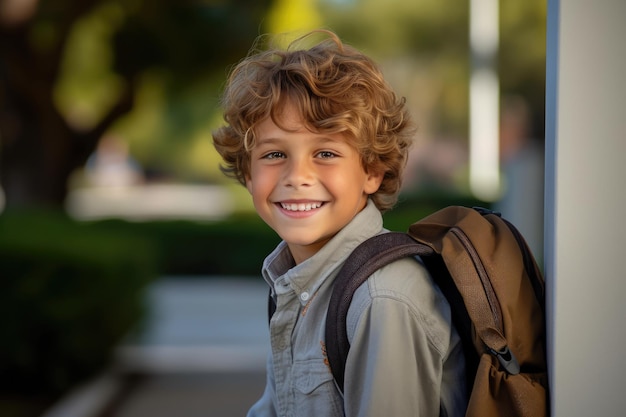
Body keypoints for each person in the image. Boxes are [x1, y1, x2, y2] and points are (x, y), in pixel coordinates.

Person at [212, 29, 467, 417]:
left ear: (372, 171)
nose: (297, 176)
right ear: (248, 174)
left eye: (326, 152)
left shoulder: (381, 299)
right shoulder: (298, 283)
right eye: (275, 153)